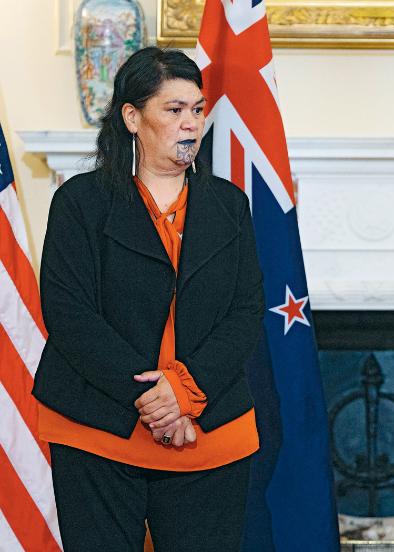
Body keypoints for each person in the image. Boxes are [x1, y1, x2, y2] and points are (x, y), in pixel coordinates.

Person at [33, 47, 265, 551]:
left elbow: (245, 312)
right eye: (174, 109)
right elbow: (69, 314)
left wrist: (185, 392)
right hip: (98, 427)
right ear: (132, 118)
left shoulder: (230, 205)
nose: (191, 123)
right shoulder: (80, 202)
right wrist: (157, 402)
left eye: (197, 109)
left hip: (210, 430)